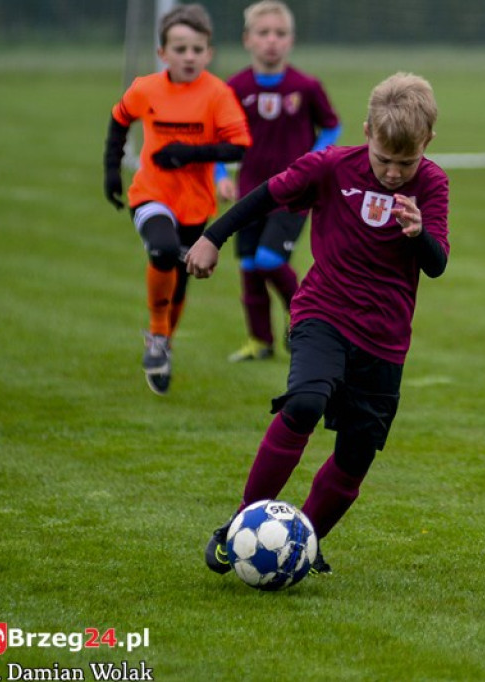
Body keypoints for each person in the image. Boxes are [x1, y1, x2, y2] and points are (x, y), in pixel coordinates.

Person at [188, 72, 449, 576]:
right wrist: (212, 238)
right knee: (306, 401)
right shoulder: (332, 165)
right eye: (384, 160)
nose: (393, 173)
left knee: (356, 454)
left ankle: (301, 540)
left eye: (405, 162)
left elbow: (436, 264)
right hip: (323, 313)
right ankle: (239, 526)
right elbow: (264, 195)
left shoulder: (433, 183)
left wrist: (417, 233)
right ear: (367, 130)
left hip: (386, 339)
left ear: (428, 143)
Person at [103, 3, 251, 395]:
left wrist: (189, 153)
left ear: (209, 53)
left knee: (181, 282)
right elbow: (119, 120)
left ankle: (164, 343)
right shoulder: (145, 89)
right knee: (163, 250)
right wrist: (111, 170)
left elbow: (238, 147)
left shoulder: (218, 94)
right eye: (180, 48)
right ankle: (155, 334)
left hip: (195, 202)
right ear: (162, 52)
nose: (189, 56)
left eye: (197, 49)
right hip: (150, 193)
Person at [215, 0, 342, 363]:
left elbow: (332, 126)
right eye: (263, 33)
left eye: (280, 33)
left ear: (291, 40)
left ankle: (304, 317)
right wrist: (221, 174)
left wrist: (313, 162)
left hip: (294, 193)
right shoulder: (234, 88)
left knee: (270, 260)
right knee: (250, 267)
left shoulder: (306, 86)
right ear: (247, 40)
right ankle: (260, 341)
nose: (272, 40)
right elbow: (220, 137)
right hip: (250, 191)